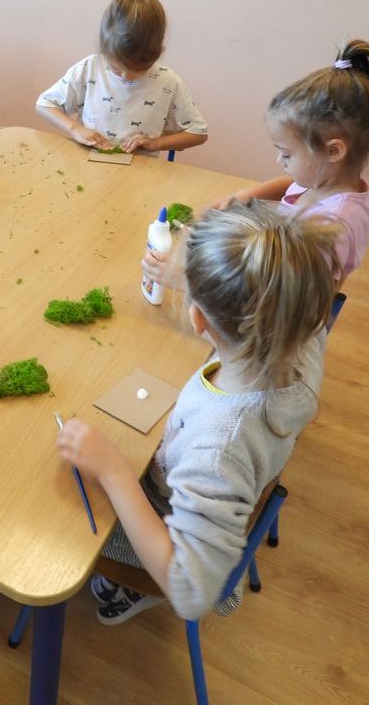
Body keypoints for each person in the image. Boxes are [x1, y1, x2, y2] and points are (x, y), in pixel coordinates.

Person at [57, 200, 338, 624]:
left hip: (170, 522)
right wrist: (203, 274)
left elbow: (190, 593)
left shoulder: (219, 448)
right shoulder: (303, 329)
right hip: (214, 493)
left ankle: (135, 586)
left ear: (198, 319)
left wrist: (113, 471)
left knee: (57, 516)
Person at [144, 40, 369, 290]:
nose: (279, 160)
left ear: (333, 151)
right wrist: (243, 197)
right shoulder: (325, 181)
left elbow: (277, 298)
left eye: (287, 154)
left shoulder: (332, 226)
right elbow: (293, 186)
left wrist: (188, 282)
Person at [35, 0, 208, 154]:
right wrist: (75, 129)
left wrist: (157, 143)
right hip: (87, 165)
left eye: (138, 70)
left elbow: (199, 132)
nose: (126, 77)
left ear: (155, 54)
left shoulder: (168, 81)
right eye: (116, 68)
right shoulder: (90, 68)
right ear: (105, 49)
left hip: (140, 169)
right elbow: (44, 104)